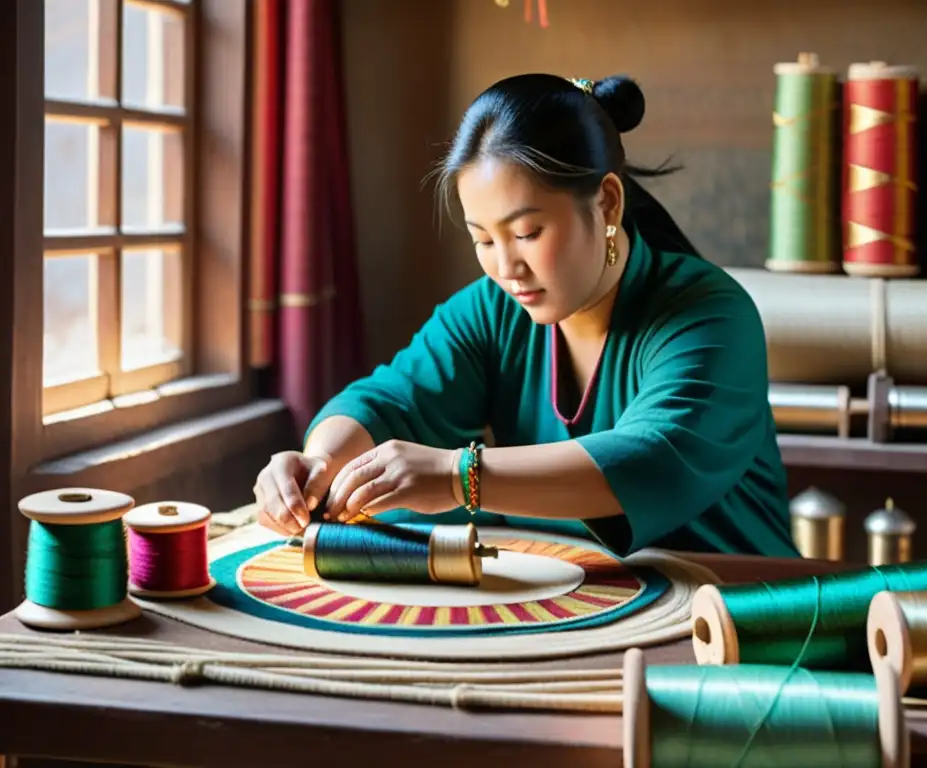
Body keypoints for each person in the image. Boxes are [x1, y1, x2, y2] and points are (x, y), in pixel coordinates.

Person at [252, 72, 798, 559]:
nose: (506, 266)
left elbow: (653, 461)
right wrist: (317, 463)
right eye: (482, 239)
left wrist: (455, 476)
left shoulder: (711, 316)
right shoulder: (494, 310)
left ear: (607, 203)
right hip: (586, 609)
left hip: (735, 615)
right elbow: (391, 399)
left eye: (527, 233)